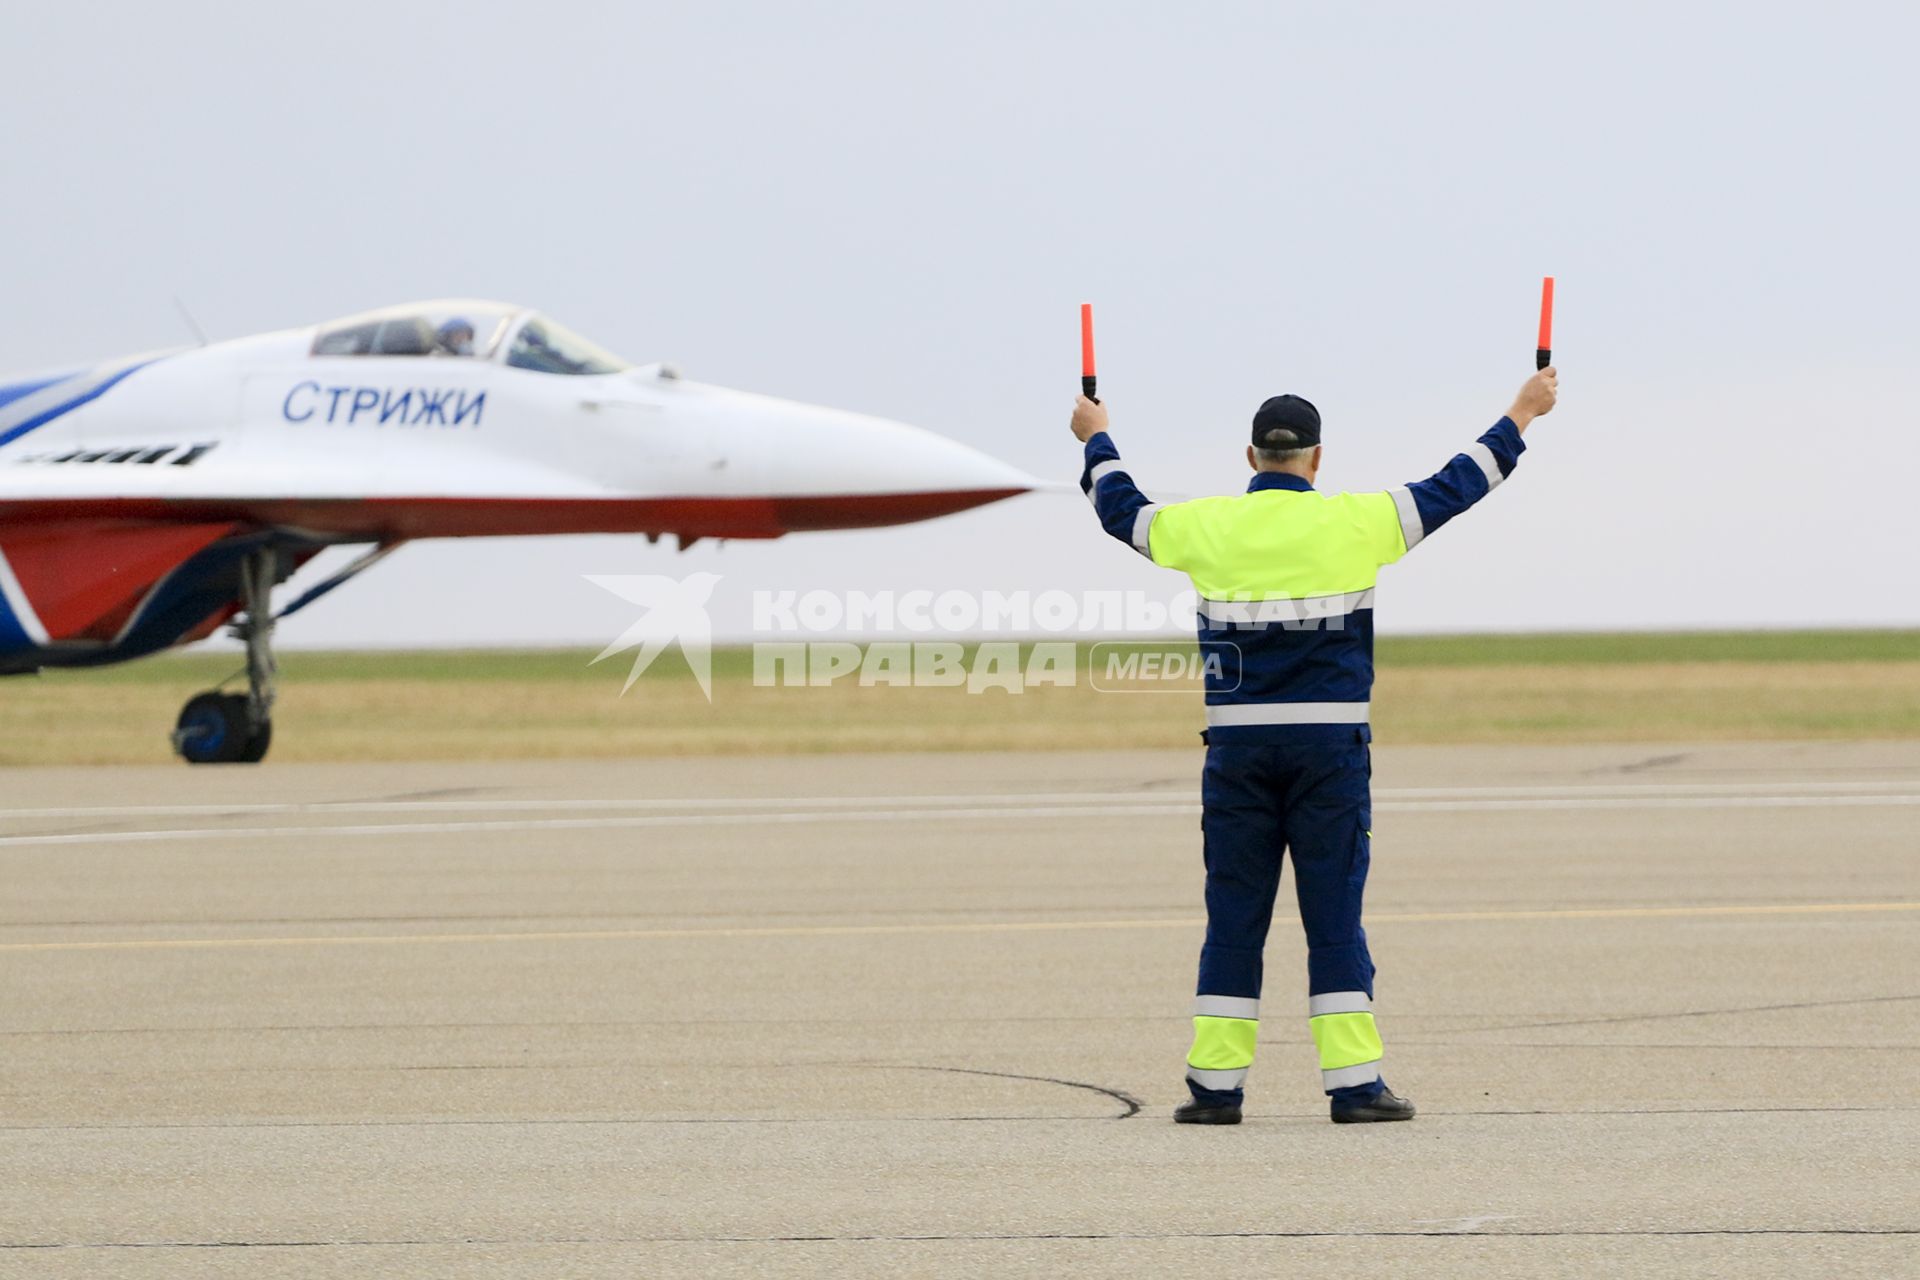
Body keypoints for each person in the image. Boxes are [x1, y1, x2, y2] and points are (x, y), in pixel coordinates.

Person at [1072, 366, 1559, 1125]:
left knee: (1235, 916)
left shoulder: (1206, 527)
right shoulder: (1359, 522)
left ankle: (1215, 1088)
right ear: (1318, 458)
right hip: (1329, 753)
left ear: (1250, 456)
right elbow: (1462, 482)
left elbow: (1119, 509)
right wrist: (1522, 414)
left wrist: (1097, 439)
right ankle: (1355, 1085)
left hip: (1236, 756)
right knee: (1334, 916)